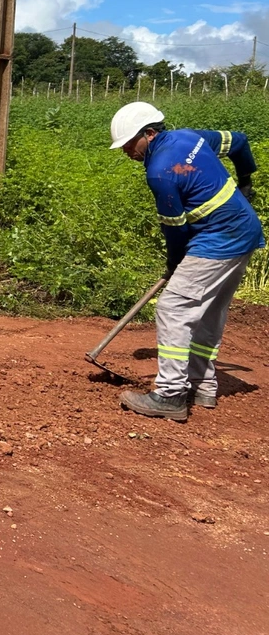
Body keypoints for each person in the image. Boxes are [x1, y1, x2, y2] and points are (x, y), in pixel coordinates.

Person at [109, 101, 264, 421]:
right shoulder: (190, 137)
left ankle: (170, 394)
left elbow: (175, 230)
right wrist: (246, 181)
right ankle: (203, 385)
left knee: (173, 307)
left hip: (221, 239)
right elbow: (241, 142)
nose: (125, 151)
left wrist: (175, 263)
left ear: (149, 134)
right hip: (245, 231)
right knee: (209, 310)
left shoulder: (159, 172)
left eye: (128, 143)